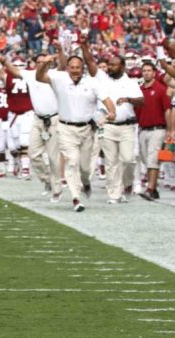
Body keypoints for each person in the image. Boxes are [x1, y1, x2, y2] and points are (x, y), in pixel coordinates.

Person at [36, 53, 116, 212]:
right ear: (67, 68)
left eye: (77, 67)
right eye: (72, 67)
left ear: (82, 69)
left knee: (85, 167)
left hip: (86, 129)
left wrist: (112, 112)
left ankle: (86, 182)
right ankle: (76, 198)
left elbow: (107, 100)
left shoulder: (92, 83)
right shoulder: (59, 79)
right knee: (72, 161)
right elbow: (39, 77)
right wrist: (45, 63)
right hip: (65, 127)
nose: (74, 70)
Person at [0, 47, 66, 202]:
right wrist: (4, 61)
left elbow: (63, 65)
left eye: (45, 62)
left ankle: (57, 189)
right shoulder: (30, 74)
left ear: (50, 63)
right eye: (39, 62)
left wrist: (60, 51)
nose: (42, 64)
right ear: (34, 63)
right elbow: (15, 71)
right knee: (33, 154)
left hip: (54, 119)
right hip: (38, 119)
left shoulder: (55, 74)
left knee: (52, 156)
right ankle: (47, 180)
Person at [81, 44, 143, 204]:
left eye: (113, 65)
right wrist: (83, 44)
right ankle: (114, 194)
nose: (110, 67)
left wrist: (128, 99)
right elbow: (89, 62)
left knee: (128, 159)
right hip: (107, 125)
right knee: (111, 162)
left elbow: (141, 101)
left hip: (127, 126)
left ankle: (128, 183)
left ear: (122, 66)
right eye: (109, 64)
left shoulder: (130, 82)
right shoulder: (102, 78)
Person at [137, 62, 172, 200]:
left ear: (154, 72)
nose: (146, 73)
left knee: (153, 159)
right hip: (143, 129)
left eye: (149, 70)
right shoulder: (139, 90)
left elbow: (167, 110)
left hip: (158, 129)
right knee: (147, 160)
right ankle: (154, 188)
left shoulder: (160, 89)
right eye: (144, 70)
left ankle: (150, 189)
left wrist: (170, 130)